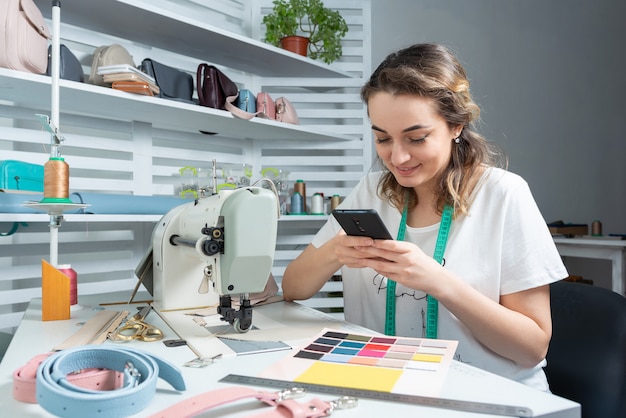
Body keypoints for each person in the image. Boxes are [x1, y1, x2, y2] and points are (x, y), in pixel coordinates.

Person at [281, 43, 568, 391]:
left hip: (490, 394)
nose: (398, 157)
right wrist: (335, 251)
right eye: (382, 138)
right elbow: (293, 288)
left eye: (417, 138)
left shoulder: (503, 195)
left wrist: (438, 281)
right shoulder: (371, 192)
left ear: (456, 125)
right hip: (388, 388)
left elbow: (532, 348)